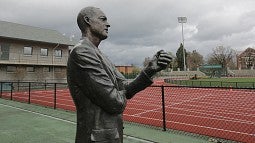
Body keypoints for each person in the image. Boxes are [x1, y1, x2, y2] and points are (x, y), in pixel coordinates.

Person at [67, 6, 172, 143]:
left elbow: (124, 86)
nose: (108, 24)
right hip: (95, 138)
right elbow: (115, 103)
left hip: (109, 136)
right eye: (103, 19)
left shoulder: (99, 54)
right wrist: (120, 94)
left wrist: (150, 69)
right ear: (88, 21)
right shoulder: (82, 52)